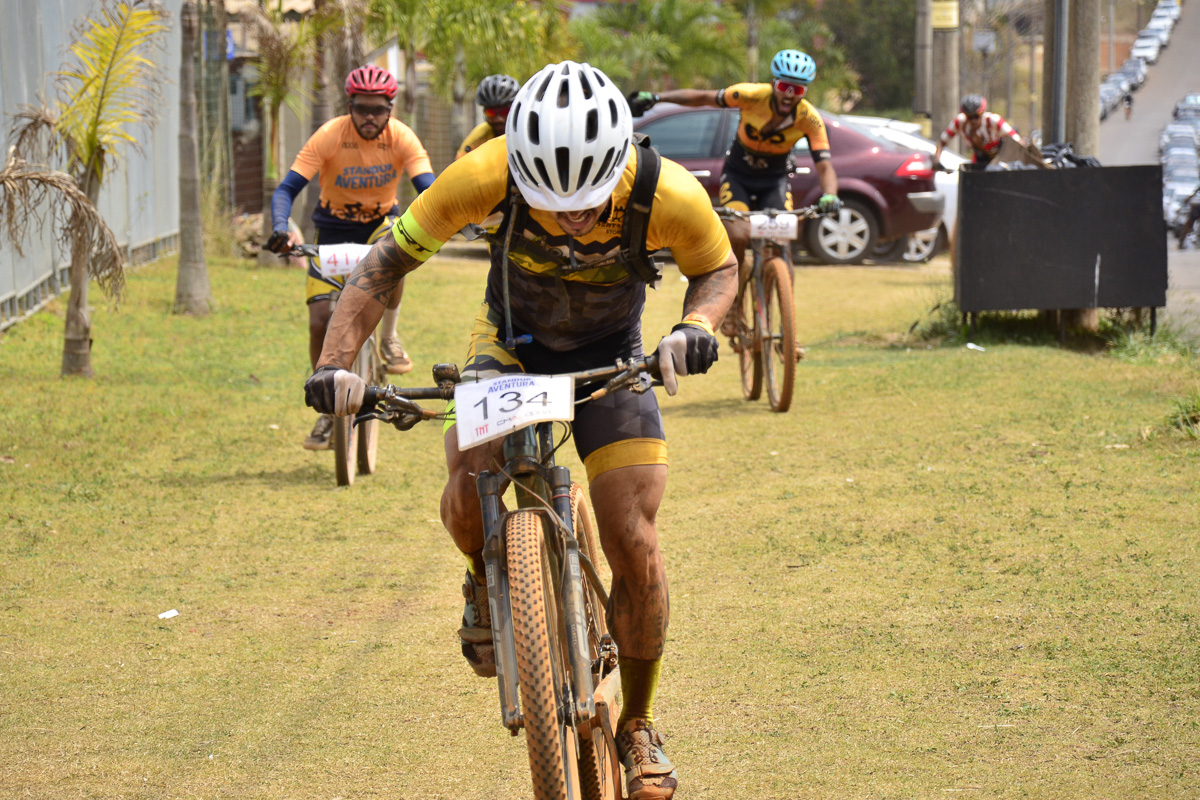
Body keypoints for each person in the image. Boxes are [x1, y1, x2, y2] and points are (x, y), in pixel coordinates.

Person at [303, 61, 738, 800]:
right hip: (510, 344)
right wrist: (334, 366)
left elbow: (719, 270)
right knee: (469, 468)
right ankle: (481, 579)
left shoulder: (666, 190)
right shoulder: (483, 172)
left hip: (613, 355)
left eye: (587, 200)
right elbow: (381, 267)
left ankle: (638, 723)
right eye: (549, 199)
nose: (570, 216)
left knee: (633, 534)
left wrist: (694, 327)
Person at [265, 64, 435, 451]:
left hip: (379, 224)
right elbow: (286, 190)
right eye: (361, 109)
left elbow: (428, 188)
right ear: (350, 106)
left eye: (378, 109)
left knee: (396, 243)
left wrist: (448, 213)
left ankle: (389, 338)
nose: (370, 117)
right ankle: (328, 405)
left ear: (390, 109)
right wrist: (279, 226)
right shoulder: (329, 136)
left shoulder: (402, 138)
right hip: (332, 233)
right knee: (319, 321)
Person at [627, 49, 840, 347]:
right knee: (737, 234)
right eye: (784, 87)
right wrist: (658, 98)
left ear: (806, 91)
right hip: (738, 177)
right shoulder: (750, 95)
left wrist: (830, 194)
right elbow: (701, 97)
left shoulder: (809, 119)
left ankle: (785, 324)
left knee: (782, 246)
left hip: (774, 182)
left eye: (799, 90)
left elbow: (825, 165)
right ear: (773, 83)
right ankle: (733, 306)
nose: (790, 95)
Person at [933, 94, 1023, 171]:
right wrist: (937, 161)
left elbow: (1017, 140)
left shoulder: (993, 120)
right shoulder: (960, 122)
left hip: (1001, 156)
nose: (973, 121)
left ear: (982, 113)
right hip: (980, 158)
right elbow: (942, 142)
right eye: (969, 117)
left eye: (976, 116)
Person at [456, 73, 520, 159]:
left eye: (505, 111)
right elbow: (460, 164)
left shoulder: (526, 131)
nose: (498, 119)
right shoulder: (479, 136)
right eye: (491, 113)